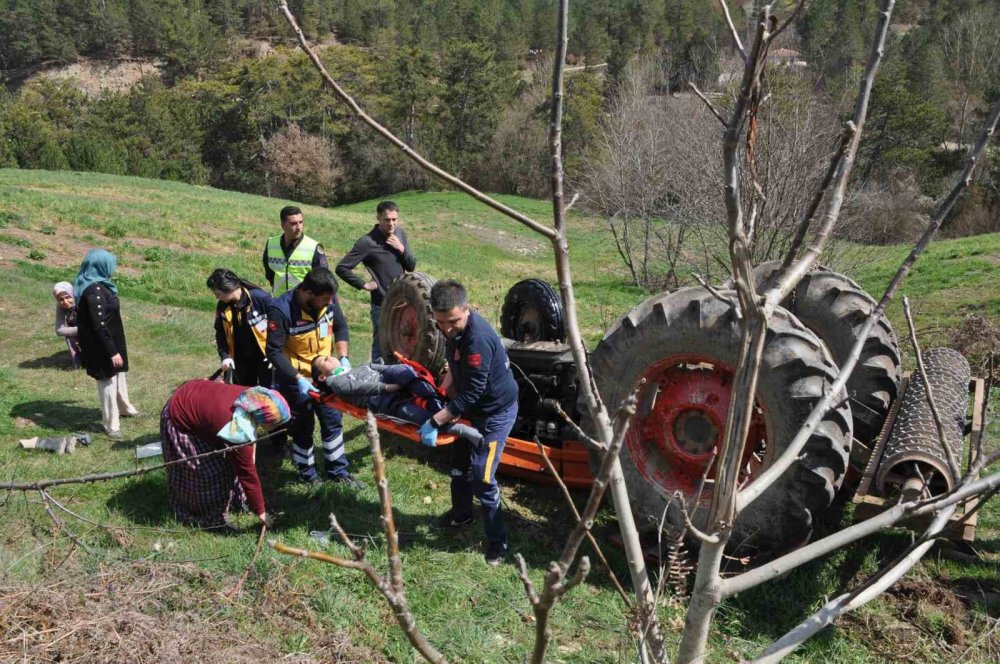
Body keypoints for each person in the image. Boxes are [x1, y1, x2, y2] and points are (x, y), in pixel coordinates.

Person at [418, 280, 519, 566]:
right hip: (470, 408)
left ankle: (498, 543)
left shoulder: (478, 339)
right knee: (459, 466)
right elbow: (455, 364)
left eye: (453, 321)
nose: (447, 328)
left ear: (467, 309)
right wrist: (446, 384)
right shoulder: (452, 330)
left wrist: (437, 419)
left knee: (483, 476)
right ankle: (461, 515)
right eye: (440, 322)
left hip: (495, 413)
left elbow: (475, 390)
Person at [265, 267, 364, 488]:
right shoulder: (281, 310)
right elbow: (273, 351)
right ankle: (307, 475)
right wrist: (298, 379)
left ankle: (338, 472)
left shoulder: (328, 301)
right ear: (308, 293)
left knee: (333, 423)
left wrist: (344, 357)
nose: (330, 303)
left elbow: (341, 327)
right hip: (296, 379)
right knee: (302, 428)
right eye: (326, 299)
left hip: (326, 376)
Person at [160, 380, 290, 530]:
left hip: (194, 396)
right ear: (263, 420)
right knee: (208, 473)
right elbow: (247, 474)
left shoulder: (253, 398)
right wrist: (261, 512)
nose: (277, 427)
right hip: (179, 415)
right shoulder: (238, 431)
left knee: (228, 463)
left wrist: (250, 453)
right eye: (275, 424)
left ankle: (237, 501)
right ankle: (205, 517)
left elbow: (248, 448)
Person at [311, 355, 484, 445]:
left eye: (328, 355)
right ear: (322, 377)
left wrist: (395, 372)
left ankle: (438, 404)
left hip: (388, 378)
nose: (330, 357)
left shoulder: (353, 368)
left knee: (404, 371)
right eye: (324, 360)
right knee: (408, 413)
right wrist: (387, 388)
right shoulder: (335, 382)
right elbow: (358, 388)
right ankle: (456, 428)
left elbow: (376, 367)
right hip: (380, 399)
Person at [335, 201, 416, 362]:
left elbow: (411, 266)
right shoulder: (367, 242)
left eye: (394, 219)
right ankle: (377, 380)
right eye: (387, 220)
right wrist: (363, 284)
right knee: (381, 347)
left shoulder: (399, 234)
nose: (391, 223)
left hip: (403, 302)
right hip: (381, 305)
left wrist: (401, 249)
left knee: (403, 345)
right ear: (378, 218)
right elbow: (342, 268)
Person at [74, 249, 139, 439]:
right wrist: (112, 352)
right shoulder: (94, 290)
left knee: (119, 376)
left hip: (111, 340)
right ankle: (111, 424)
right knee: (108, 382)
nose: (113, 269)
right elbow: (98, 325)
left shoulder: (101, 286)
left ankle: (125, 408)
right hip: (101, 345)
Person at [207, 268, 274, 387]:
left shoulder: (261, 299)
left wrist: (276, 354)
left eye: (218, 294)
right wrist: (225, 356)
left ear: (228, 288)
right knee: (242, 395)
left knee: (269, 396)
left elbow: (280, 328)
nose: (217, 298)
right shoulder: (223, 306)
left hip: (265, 358)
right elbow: (220, 333)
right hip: (241, 360)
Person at [262, 205, 329, 295]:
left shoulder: (313, 247)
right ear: (283, 225)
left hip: (302, 303)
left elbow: (323, 277)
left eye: (300, 222)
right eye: (293, 223)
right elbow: (268, 270)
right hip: (279, 301)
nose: (298, 227)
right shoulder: (271, 243)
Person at [52, 281, 82, 369]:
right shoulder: (60, 307)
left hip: (92, 331)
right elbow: (59, 330)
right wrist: (81, 330)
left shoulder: (82, 302)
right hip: (82, 329)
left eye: (68, 297)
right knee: (69, 335)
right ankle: (78, 362)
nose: (65, 302)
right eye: (61, 299)